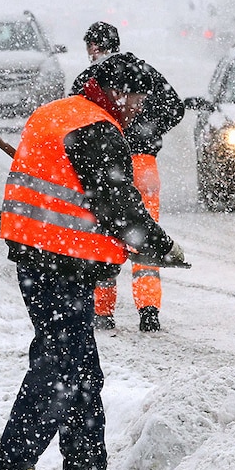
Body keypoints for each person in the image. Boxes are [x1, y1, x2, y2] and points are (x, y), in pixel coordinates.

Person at [0, 52, 186, 470]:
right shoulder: (97, 129)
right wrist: (159, 245)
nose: (137, 109)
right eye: (135, 98)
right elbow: (118, 206)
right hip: (61, 264)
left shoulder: (56, 113)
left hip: (39, 260)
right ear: (118, 92)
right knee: (59, 372)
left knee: (77, 371)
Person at [70, 21, 185, 332]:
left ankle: (102, 311)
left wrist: (116, 137)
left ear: (91, 47)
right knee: (144, 234)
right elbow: (175, 108)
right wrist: (146, 134)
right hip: (144, 164)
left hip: (107, 165)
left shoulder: (89, 80)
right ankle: (149, 309)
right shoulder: (143, 72)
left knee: (105, 235)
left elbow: (74, 125)